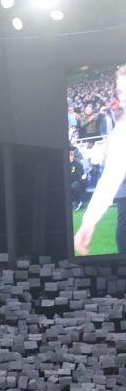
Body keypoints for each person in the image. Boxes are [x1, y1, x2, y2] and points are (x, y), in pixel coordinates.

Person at [76, 65, 126, 255]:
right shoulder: (120, 133)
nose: (124, 96)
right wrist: (88, 221)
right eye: (121, 91)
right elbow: (110, 178)